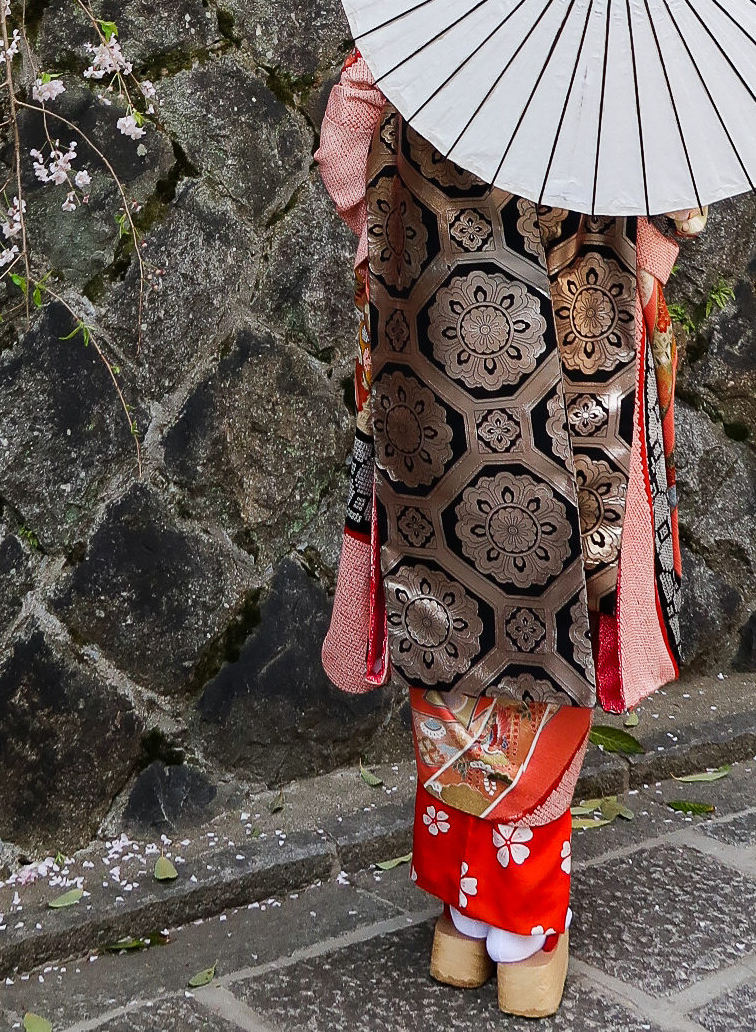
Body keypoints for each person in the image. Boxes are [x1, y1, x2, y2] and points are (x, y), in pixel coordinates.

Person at [315, 50, 705, 1019]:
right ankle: (523, 928)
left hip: (427, 358)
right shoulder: (610, 45)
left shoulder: (427, 23)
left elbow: (344, 146)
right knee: (556, 625)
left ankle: (462, 916)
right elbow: (672, 199)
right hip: (579, 376)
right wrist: (656, 251)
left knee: (441, 615)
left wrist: (385, 248)